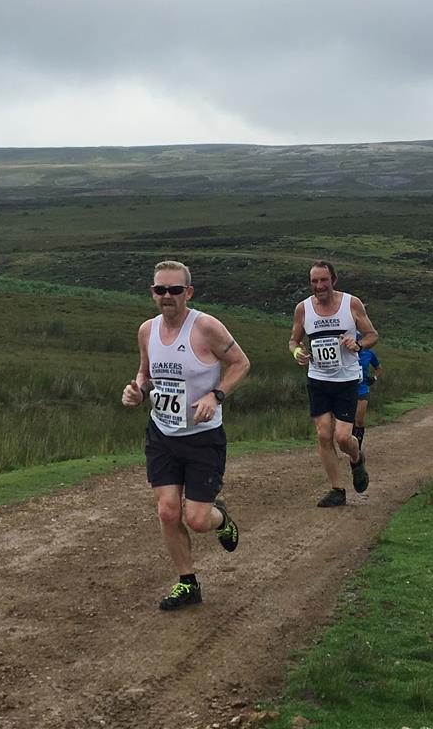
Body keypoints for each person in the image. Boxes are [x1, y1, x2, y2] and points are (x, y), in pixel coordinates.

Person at [121, 260, 251, 611]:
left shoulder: (206, 327)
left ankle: (220, 518)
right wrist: (137, 391)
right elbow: (145, 373)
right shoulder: (147, 330)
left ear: (188, 292)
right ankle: (187, 582)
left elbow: (241, 363)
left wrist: (216, 395)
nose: (167, 296)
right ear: (153, 293)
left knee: (196, 520)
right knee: (167, 512)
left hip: (202, 438)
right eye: (160, 290)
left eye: (175, 290)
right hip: (162, 434)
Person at [290, 260, 379, 507]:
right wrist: (297, 353)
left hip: (346, 380)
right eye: (314, 281)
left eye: (324, 280)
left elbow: (372, 335)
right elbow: (293, 341)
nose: (319, 286)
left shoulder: (351, 304)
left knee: (342, 437)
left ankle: (357, 458)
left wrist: (358, 344)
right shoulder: (303, 308)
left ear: (334, 280)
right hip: (317, 379)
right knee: (323, 434)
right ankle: (337, 490)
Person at [354, 332, 381, 449]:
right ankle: (351, 445)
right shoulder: (345, 353)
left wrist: (374, 378)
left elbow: (379, 368)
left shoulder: (369, 353)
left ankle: (358, 449)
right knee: (348, 421)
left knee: (359, 420)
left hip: (362, 389)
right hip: (346, 390)